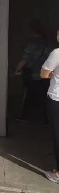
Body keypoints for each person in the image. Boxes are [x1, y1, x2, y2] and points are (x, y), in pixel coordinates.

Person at [13, 20, 51, 123]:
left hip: (34, 74)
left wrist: (16, 70)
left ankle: (25, 116)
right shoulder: (45, 42)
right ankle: (47, 118)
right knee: (44, 97)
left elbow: (25, 59)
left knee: (29, 96)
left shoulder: (32, 44)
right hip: (46, 74)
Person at [40, 28, 59, 183]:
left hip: (57, 99)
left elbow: (44, 74)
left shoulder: (57, 53)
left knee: (58, 134)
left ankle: (58, 173)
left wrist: (54, 74)